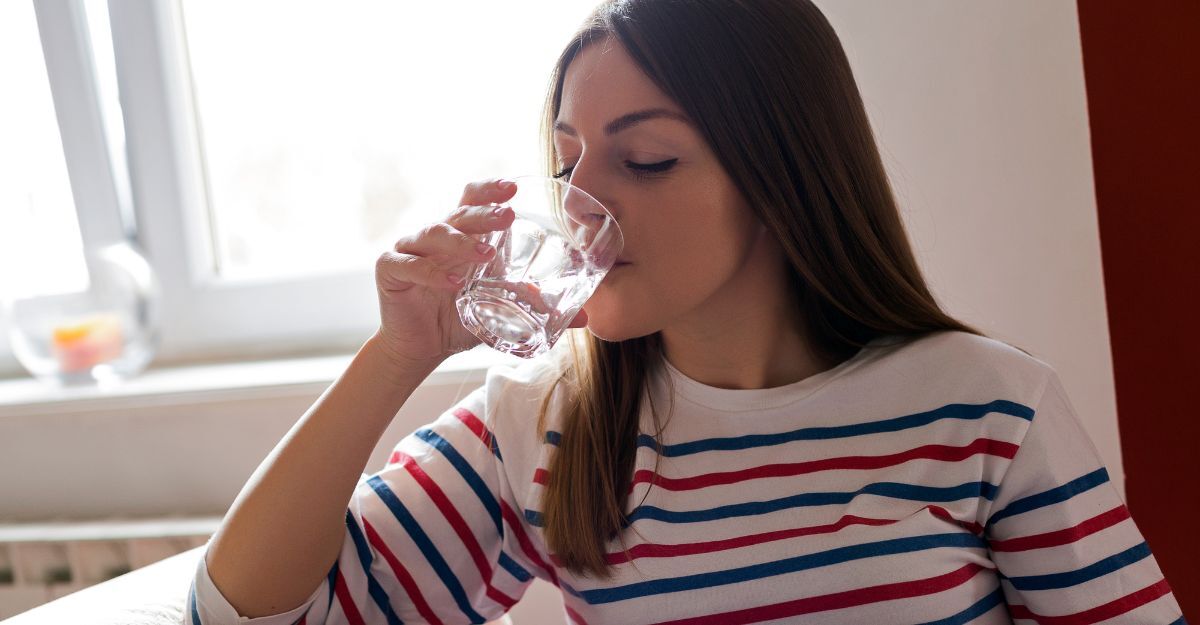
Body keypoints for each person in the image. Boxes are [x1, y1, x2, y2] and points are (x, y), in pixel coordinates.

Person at [188, 1, 1185, 623]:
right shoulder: (538, 426)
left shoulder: (984, 406)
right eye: (568, 159)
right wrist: (396, 354)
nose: (588, 203)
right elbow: (248, 615)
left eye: (647, 157)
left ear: (781, 174)